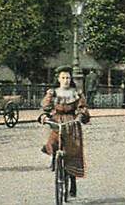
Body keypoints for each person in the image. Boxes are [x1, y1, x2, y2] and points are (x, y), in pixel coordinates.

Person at [39, 66, 91, 199]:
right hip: (56, 121)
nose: (66, 80)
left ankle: (72, 182)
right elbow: (46, 106)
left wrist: (80, 116)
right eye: (63, 78)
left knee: (73, 150)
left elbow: (82, 107)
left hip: (71, 123)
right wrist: (44, 115)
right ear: (58, 79)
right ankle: (55, 160)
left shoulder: (76, 93)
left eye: (68, 77)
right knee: (53, 141)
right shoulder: (53, 92)